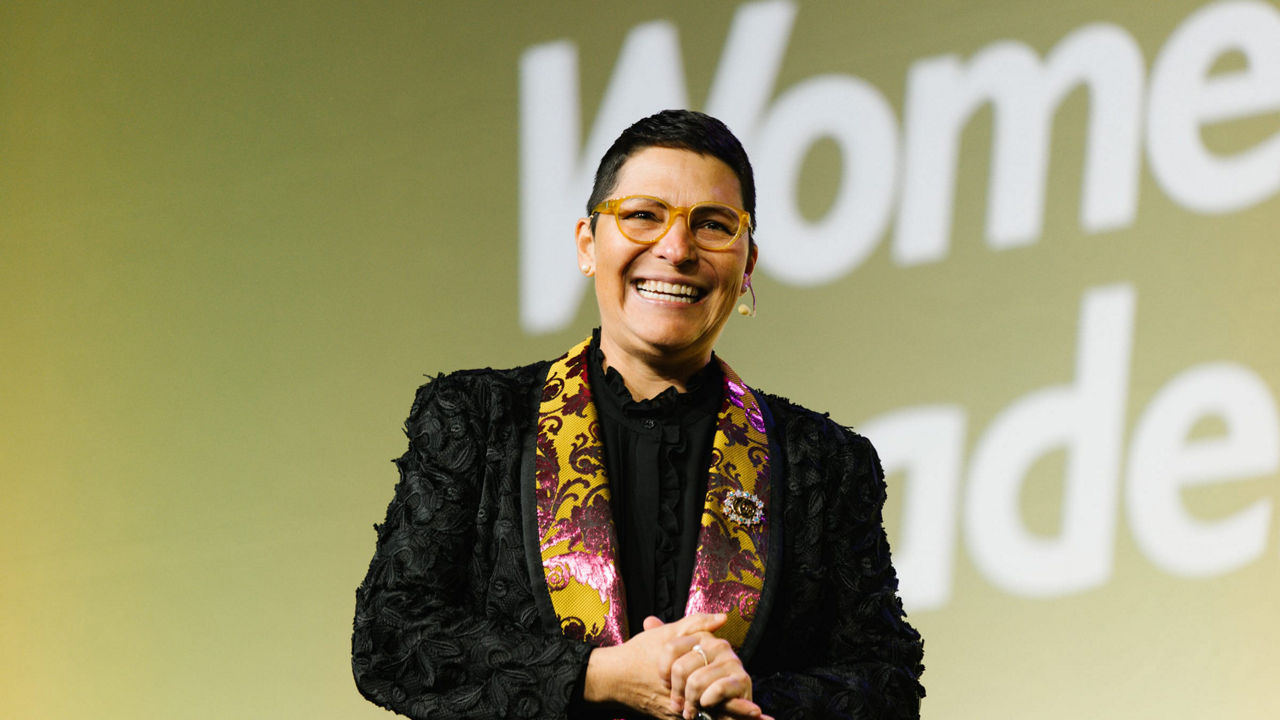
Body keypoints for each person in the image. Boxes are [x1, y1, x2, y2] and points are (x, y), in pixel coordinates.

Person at [352, 109, 924, 720]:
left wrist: (757, 694)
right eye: (643, 216)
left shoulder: (823, 460)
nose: (676, 249)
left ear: (747, 263)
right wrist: (596, 675)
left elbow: (886, 681)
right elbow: (392, 638)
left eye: (713, 225)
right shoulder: (480, 419)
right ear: (587, 245)